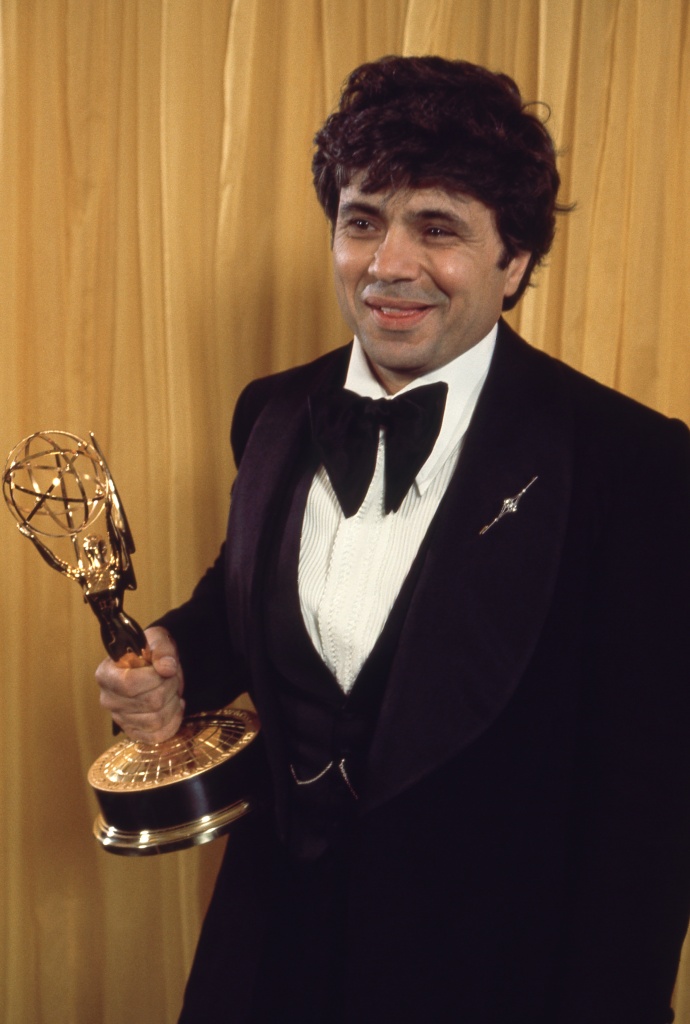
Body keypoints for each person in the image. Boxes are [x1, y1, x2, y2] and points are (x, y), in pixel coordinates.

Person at [96, 56, 690, 1024]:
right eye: (363, 219)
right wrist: (172, 658)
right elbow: (240, 603)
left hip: (494, 975)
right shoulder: (276, 413)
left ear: (516, 260)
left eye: (438, 227)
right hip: (268, 960)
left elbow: (650, 818)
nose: (389, 264)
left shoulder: (634, 463)